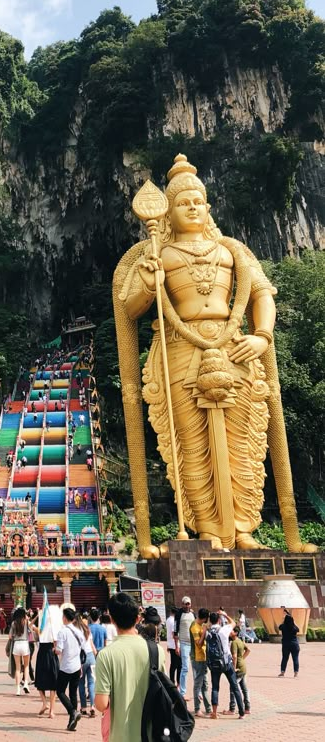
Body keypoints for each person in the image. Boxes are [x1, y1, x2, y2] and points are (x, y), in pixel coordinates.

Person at [113, 153, 316, 557]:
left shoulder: (232, 249)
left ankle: (243, 529)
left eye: (197, 200)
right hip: (180, 351)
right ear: (168, 209)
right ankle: (207, 530)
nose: (191, 206)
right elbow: (129, 306)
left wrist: (261, 335)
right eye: (183, 201)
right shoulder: (157, 254)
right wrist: (150, 283)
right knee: (190, 445)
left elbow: (261, 294)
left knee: (243, 442)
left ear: (207, 206)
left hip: (234, 348)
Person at [95, 592, 166, 742]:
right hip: (151, 734)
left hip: (121, 735)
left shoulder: (106, 655)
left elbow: (101, 704)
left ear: (112, 619)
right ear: (138, 618)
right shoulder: (156, 650)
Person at [206, 610, 244, 720]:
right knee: (235, 687)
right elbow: (233, 623)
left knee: (215, 688)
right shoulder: (223, 630)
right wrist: (225, 614)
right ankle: (241, 712)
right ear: (219, 620)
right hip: (227, 662)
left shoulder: (208, 632)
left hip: (214, 663)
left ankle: (214, 713)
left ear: (210, 621)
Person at [55, 607, 83, 731]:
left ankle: (72, 712)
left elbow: (59, 650)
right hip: (77, 665)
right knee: (73, 692)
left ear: (65, 618)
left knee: (60, 691)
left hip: (66, 666)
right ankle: (72, 721)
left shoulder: (62, 632)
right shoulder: (78, 631)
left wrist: (54, 649)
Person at [30, 611, 59, 718]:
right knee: (53, 683)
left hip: (42, 654)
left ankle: (44, 703)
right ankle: (51, 711)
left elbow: (29, 625)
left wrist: (37, 615)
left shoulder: (40, 630)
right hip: (51, 654)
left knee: (40, 680)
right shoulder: (53, 630)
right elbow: (56, 643)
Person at [189, 607, 212, 717]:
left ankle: (208, 708)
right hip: (197, 658)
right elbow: (198, 643)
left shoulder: (201, 626)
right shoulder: (194, 627)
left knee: (205, 684)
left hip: (203, 657)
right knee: (198, 684)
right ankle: (197, 708)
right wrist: (204, 632)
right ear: (204, 618)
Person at [73, 613, 97, 718]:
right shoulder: (87, 629)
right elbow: (92, 645)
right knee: (91, 683)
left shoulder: (74, 631)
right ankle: (93, 706)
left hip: (80, 658)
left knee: (81, 683)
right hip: (91, 656)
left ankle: (83, 708)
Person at [225, 625, 251, 715]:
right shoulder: (240, 641)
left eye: (231, 631)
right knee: (244, 688)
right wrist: (242, 658)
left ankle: (232, 709)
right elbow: (248, 650)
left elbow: (234, 656)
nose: (229, 632)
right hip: (243, 667)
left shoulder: (234, 642)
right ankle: (247, 708)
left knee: (233, 688)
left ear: (235, 633)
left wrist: (234, 667)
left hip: (238, 668)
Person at [174, 596, 195, 698]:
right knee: (185, 667)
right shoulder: (178, 614)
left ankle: (197, 691)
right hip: (184, 643)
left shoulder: (193, 614)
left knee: (195, 668)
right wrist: (176, 646)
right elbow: (175, 631)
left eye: (188, 604)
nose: (187, 606)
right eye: (185, 604)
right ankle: (182, 692)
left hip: (193, 644)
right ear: (182, 604)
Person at [8, 607, 31, 695]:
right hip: (25, 644)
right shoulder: (26, 622)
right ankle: (25, 684)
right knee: (26, 666)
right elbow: (31, 630)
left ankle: (17, 689)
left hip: (16, 645)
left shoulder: (14, 623)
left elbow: (10, 636)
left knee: (17, 668)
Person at [278, 610, 300, 677]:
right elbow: (298, 629)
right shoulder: (294, 628)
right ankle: (296, 672)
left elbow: (279, 627)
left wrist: (283, 620)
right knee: (295, 658)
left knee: (284, 658)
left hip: (286, 644)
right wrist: (293, 621)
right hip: (294, 644)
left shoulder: (283, 627)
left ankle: (282, 671)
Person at [166, 606, 181, 686]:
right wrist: (177, 646)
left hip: (171, 645)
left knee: (174, 665)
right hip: (176, 645)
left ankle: (173, 682)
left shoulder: (168, 620)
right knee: (178, 665)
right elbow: (173, 634)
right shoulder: (174, 621)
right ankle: (177, 683)